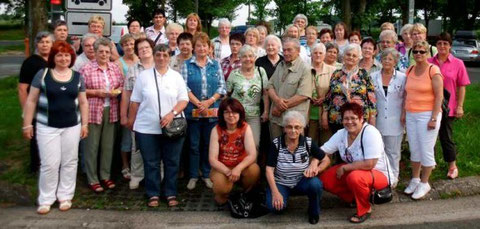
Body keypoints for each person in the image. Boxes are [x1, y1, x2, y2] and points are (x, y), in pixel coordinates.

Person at [22, 40, 88, 214]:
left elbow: (83, 102)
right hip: (47, 126)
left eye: (67, 55)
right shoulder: (43, 75)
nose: (63, 58)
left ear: (71, 58)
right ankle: (46, 198)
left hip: (72, 126)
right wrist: (27, 124)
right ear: (53, 57)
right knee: (49, 164)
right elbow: (31, 100)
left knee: (70, 161)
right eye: (59, 55)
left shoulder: (77, 76)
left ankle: (65, 195)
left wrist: (85, 124)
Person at [127, 44, 188, 207]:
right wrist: (131, 122)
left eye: (165, 55)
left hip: (172, 126)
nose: (161, 58)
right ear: (154, 56)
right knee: (151, 162)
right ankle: (153, 193)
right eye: (159, 55)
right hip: (147, 128)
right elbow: (135, 101)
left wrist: (171, 114)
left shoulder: (176, 76)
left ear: (170, 57)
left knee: (172, 161)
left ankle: (170, 192)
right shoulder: (143, 76)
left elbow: (184, 100)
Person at [319, 102, 395, 223]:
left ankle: (365, 209)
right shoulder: (341, 134)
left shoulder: (370, 132)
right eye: (346, 118)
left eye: (353, 118)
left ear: (361, 119)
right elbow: (322, 151)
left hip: (378, 174)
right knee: (325, 179)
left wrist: (345, 168)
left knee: (355, 177)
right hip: (356, 171)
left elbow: (370, 164)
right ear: (342, 120)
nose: (349, 122)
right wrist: (313, 163)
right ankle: (353, 199)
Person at [266, 111, 330, 225]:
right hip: (282, 182)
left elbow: (326, 160)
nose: (293, 130)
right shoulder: (276, 144)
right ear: (284, 128)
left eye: (297, 127)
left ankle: (313, 211)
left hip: (302, 181)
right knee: (274, 209)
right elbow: (269, 170)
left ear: (302, 129)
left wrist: (316, 169)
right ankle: (281, 197)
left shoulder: (308, 142)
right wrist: (275, 192)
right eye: (289, 127)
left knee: (315, 184)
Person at [181, 32, 227, 190]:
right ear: (194, 47)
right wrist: (198, 103)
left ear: (209, 48)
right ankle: (193, 175)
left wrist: (209, 102)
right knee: (193, 145)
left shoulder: (216, 64)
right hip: (193, 112)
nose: (201, 48)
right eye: (198, 45)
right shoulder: (187, 65)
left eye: (204, 46)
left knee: (209, 144)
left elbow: (222, 87)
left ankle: (207, 174)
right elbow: (183, 87)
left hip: (212, 112)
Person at [81, 37, 124, 193]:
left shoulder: (114, 67)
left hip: (111, 109)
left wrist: (116, 91)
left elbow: (121, 84)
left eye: (107, 51)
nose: (104, 54)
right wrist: (96, 92)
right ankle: (92, 178)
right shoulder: (86, 68)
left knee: (108, 146)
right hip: (93, 110)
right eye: (101, 51)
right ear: (95, 52)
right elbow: (80, 90)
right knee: (92, 146)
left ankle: (105, 175)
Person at [403, 40, 443, 199]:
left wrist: (433, 118)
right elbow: (407, 93)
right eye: (416, 51)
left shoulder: (433, 70)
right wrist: (404, 113)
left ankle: (425, 183)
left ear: (428, 53)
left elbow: (439, 96)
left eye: (422, 51)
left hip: (428, 115)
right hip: (411, 114)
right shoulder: (410, 69)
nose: (418, 54)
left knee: (426, 149)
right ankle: (415, 179)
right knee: (414, 148)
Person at [428, 32, 470, 179]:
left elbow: (461, 87)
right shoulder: (428, 62)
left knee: (446, 137)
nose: (442, 46)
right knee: (429, 137)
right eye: (439, 43)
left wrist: (460, 106)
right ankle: (429, 164)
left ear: (450, 46)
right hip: (429, 106)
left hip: (448, 107)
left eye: (445, 43)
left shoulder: (458, 64)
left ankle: (452, 166)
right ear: (436, 46)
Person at [209, 98, 260, 205]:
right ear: (222, 114)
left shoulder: (246, 127)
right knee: (220, 188)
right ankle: (224, 195)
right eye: (227, 112)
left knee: (254, 170)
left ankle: (245, 192)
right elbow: (212, 159)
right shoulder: (216, 130)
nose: (231, 115)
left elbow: (252, 154)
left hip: (241, 165)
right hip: (223, 167)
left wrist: (238, 168)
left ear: (240, 113)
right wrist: (228, 172)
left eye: (234, 112)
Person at [120, 38, 155, 189]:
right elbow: (126, 94)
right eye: (140, 48)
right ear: (137, 52)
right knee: (137, 147)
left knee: (157, 147)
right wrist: (124, 115)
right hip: (138, 115)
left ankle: (157, 175)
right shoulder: (133, 69)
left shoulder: (161, 65)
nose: (144, 50)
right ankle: (137, 175)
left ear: (152, 48)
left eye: (147, 47)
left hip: (156, 114)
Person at [18, 31, 53, 173]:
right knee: (37, 138)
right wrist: (27, 112)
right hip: (36, 107)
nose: (44, 45)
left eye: (47, 42)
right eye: (41, 42)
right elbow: (22, 89)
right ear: (37, 44)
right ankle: (36, 167)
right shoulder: (30, 62)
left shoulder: (54, 60)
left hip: (52, 106)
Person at [322, 43, 376, 134]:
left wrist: (372, 117)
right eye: (348, 54)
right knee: (339, 146)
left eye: (354, 55)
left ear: (358, 58)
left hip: (358, 118)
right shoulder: (336, 74)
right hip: (338, 118)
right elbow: (329, 95)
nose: (351, 57)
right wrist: (324, 114)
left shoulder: (363, 74)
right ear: (343, 56)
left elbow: (371, 97)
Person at [371, 48, 406, 186]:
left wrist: (404, 113)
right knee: (378, 151)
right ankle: (379, 178)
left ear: (395, 62)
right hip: (377, 119)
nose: (387, 61)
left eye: (390, 59)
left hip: (395, 119)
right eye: (384, 58)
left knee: (393, 152)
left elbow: (406, 97)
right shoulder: (373, 76)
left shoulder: (402, 77)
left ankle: (393, 179)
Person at [267, 38, 312, 139]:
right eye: (284, 50)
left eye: (289, 50)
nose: (286, 53)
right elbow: (269, 86)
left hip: (294, 122)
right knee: (277, 149)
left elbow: (303, 95)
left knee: (294, 150)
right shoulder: (281, 65)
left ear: (298, 50)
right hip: (276, 118)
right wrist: (277, 100)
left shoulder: (305, 69)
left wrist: (279, 107)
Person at [227, 45, 269, 148]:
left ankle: (252, 164)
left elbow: (265, 93)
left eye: (250, 56)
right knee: (236, 143)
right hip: (236, 115)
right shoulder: (234, 74)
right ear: (240, 58)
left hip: (254, 114)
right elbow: (227, 94)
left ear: (255, 58)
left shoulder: (261, 72)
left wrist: (266, 111)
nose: (248, 59)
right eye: (244, 56)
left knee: (254, 144)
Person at [309, 43, 336, 145]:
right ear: (311, 54)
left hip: (326, 113)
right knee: (311, 144)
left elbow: (335, 91)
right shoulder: (305, 70)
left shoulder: (333, 71)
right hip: (310, 113)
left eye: (321, 53)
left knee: (327, 144)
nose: (318, 55)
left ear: (324, 55)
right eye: (315, 53)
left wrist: (324, 98)